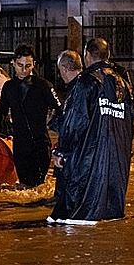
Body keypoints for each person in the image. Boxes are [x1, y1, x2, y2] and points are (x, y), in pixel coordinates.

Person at [46, 38, 134, 225]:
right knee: (110, 220)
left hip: (88, 162)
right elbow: (130, 124)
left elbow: (75, 122)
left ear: (86, 55)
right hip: (118, 163)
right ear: (108, 55)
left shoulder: (86, 82)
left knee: (71, 219)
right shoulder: (124, 84)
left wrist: (61, 151)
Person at [0, 44, 62, 187]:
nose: (24, 70)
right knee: (24, 186)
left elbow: (60, 110)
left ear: (34, 65)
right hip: (20, 145)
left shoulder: (44, 85)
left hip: (40, 145)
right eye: (20, 65)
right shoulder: (9, 87)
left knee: (37, 187)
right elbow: (1, 111)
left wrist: (56, 129)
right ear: (13, 63)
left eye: (28, 66)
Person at [47, 50, 83, 199]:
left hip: (72, 156)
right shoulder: (86, 85)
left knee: (63, 199)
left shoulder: (77, 90)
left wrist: (52, 122)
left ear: (63, 69)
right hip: (82, 154)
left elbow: (72, 125)